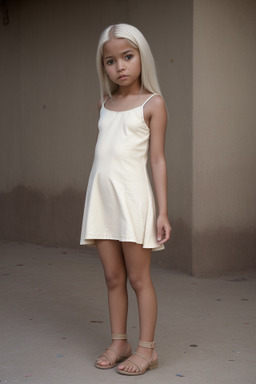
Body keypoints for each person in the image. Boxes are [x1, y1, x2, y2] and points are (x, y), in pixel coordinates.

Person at [80, 23, 172, 376]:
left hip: (133, 202)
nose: (119, 66)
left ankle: (147, 349)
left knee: (138, 278)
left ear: (141, 58)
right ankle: (120, 341)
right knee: (112, 277)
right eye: (110, 60)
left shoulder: (153, 104)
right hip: (102, 201)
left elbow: (158, 160)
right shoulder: (104, 105)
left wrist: (162, 211)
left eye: (127, 57)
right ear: (102, 66)